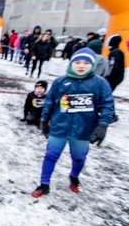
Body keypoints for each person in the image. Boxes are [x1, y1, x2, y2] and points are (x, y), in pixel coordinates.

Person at [32, 48, 114, 198]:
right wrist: (44, 120)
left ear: (93, 65)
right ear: (71, 64)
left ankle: (74, 177)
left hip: (83, 130)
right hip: (59, 127)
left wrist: (103, 125)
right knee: (51, 155)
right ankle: (44, 184)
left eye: (86, 63)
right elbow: (49, 102)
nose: (81, 66)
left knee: (78, 157)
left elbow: (108, 105)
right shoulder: (60, 82)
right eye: (77, 62)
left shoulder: (100, 83)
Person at [104, 34, 125, 123]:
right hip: (117, 77)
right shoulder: (117, 51)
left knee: (107, 95)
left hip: (114, 78)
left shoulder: (115, 53)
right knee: (107, 95)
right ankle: (111, 114)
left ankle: (112, 115)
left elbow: (113, 67)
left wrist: (107, 77)